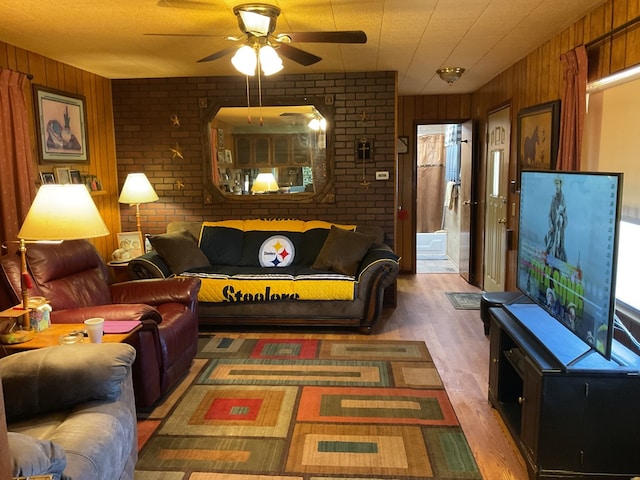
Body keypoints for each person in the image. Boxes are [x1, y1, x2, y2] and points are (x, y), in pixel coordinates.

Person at [545, 176, 567, 261]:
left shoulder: (563, 199)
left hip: (560, 232)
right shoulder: (553, 198)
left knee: (560, 251)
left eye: (558, 183)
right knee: (548, 250)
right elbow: (549, 214)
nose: (557, 186)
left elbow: (565, 216)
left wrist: (561, 222)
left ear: (561, 185)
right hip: (553, 231)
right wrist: (551, 225)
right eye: (556, 184)